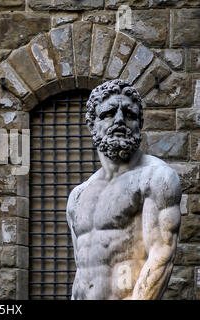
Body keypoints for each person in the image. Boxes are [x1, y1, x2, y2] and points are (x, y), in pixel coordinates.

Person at [66, 79, 182, 300]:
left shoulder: (156, 177)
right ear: (92, 124)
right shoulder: (78, 196)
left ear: (139, 124)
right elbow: (82, 271)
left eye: (129, 115)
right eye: (109, 113)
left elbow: (161, 255)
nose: (119, 120)